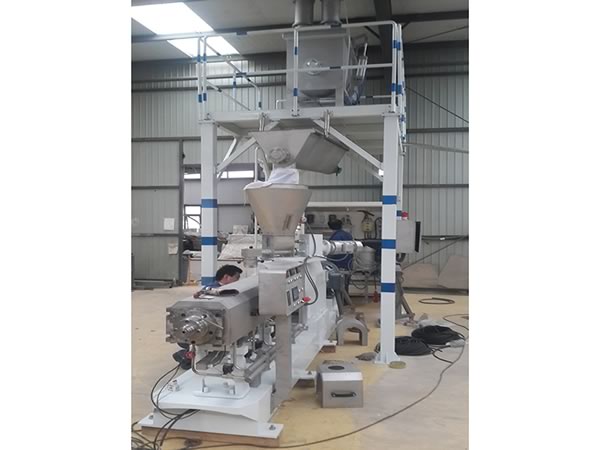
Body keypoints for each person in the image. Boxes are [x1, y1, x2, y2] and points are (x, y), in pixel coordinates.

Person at [173, 265, 243, 369]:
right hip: (197, 333)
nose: (238, 281)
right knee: (201, 346)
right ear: (226, 277)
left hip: (208, 331)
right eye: (236, 277)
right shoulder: (211, 290)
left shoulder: (226, 290)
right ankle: (184, 355)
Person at [327, 219, 353, 294]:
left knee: (337, 286)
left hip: (338, 265)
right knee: (345, 285)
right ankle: (345, 299)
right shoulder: (348, 235)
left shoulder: (335, 237)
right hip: (348, 264)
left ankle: (340, 300)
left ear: (330, 228)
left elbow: (332, 252)